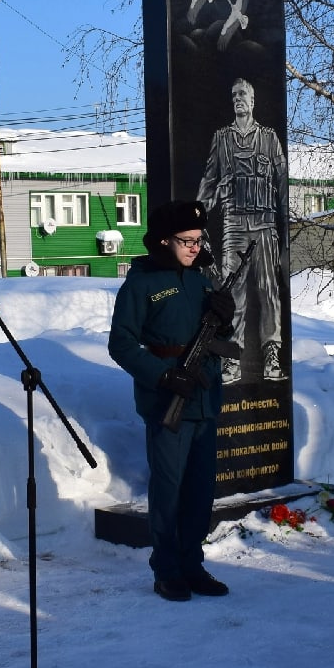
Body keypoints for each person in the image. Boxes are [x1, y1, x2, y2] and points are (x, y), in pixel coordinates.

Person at [108, 199, 236, 602]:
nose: (195, 247)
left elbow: (211, 331)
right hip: (167, 400)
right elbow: (122, 344)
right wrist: (162, 376)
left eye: (199, 240)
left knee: (200, 488)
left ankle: (192, 563)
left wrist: (225, 316)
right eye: (186, 240)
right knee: (169, 489)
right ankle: (166, 568)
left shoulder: (200, 280)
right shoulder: (141, 283)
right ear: (163, 241)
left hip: (203, 396)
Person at [196, 77, 288, 384]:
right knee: (232, 292)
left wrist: (285, 228)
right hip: (234, 225)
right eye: (234, 94)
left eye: (244, 94)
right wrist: (196, 217)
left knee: (268, 291)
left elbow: (282, 186)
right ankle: (231, 358)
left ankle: (272, 353)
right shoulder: (222, 139)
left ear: (253, 101)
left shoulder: (269, 138)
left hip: (264, 225)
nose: (239, 99)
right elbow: (209, 181)